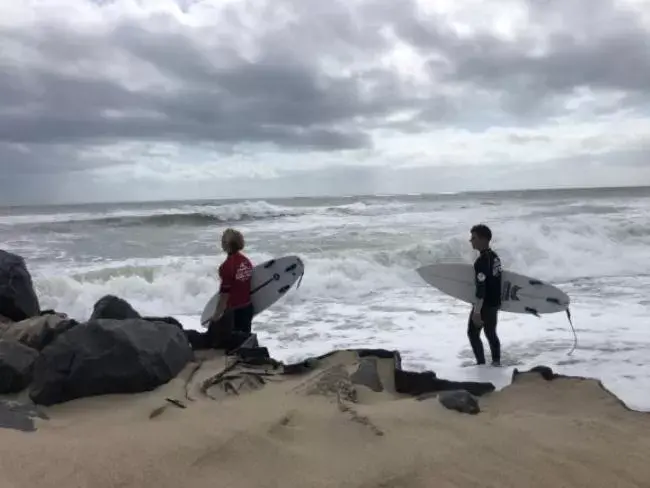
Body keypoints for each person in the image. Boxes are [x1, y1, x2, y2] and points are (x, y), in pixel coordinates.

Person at [185, 228, 254, 351]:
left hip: (234, 312)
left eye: (222, 240)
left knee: (232, 344)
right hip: (247, 307)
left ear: (226, 244)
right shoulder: (246, 262)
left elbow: (224, 296)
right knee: (244, 340)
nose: (221, 243)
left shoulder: (226, 267)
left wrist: (216, 316)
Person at [467, 224, 502, 366]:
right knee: (490, 333)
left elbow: (481, 288)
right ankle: (496, 362)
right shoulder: (495, 258)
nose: (471, 241)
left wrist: (476, 311)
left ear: (483, 239)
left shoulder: (481, 262)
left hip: (485, 305)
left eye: (474, 238)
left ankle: (481, 364)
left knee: (473, 334)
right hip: (494, 303)